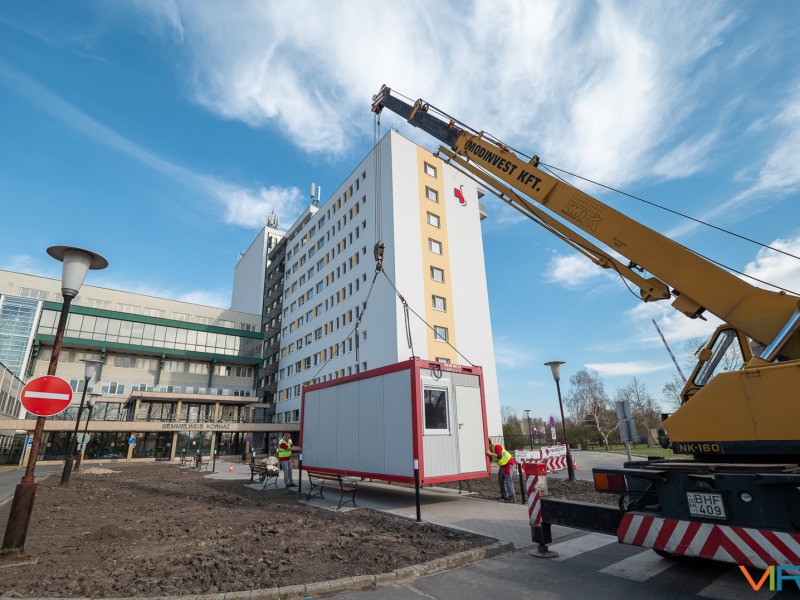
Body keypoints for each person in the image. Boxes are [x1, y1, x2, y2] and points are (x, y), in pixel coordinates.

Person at [486, 438, 516, 503]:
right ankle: (504, 495)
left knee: (508, 481)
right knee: (500, 481)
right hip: (503, 466)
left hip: (508, 464)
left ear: (489, 444)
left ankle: (512, 497)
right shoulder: (491, 450)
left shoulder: (496, 446)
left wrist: (490, 454)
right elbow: (490, 460)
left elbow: (500, 456)